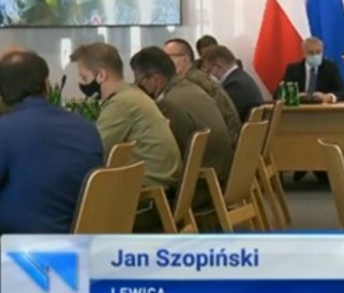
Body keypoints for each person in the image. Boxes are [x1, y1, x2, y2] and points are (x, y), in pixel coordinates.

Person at [0, 51, 103, 233]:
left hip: (24, 244)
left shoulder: (5, 131)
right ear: (47, 85)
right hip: (84, 240)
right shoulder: (87, 128)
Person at [70, 42, 182, 191]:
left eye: (84, 78)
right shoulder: (132, 94)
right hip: (161, 180)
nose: (82, 84)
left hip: (150, 187)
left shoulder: (120, 104)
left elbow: (95, 152)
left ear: (101, 75)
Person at [131, 46, 233, 187]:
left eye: (140, 82)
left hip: (199, 187)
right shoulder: (193, 88)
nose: (139, 87)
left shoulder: (168, 104)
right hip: (219, 178)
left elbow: (168, 156)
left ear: (155, 79)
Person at [164, 38, 242, 146]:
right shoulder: (198, 77)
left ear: (184, 60)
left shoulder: (190, 83)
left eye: (167, 58)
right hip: (231, 141)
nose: (162, 63)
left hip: (223, 145)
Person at [202, 45, 264, 123]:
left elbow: (227, 118)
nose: (209, 75)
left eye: (209, 70)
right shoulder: (242, 76)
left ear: (218, 65)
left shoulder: (234, 85)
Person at [281, 37, 344, 103]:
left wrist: (330, 97)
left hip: (323, 107)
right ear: (304, 53)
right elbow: (280, 92)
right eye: (311, 53)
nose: (315, 56)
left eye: (318, 52)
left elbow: (343, 92)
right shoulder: (293, 69)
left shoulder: (330, 68)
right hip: (300, 107)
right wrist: (297, 95)